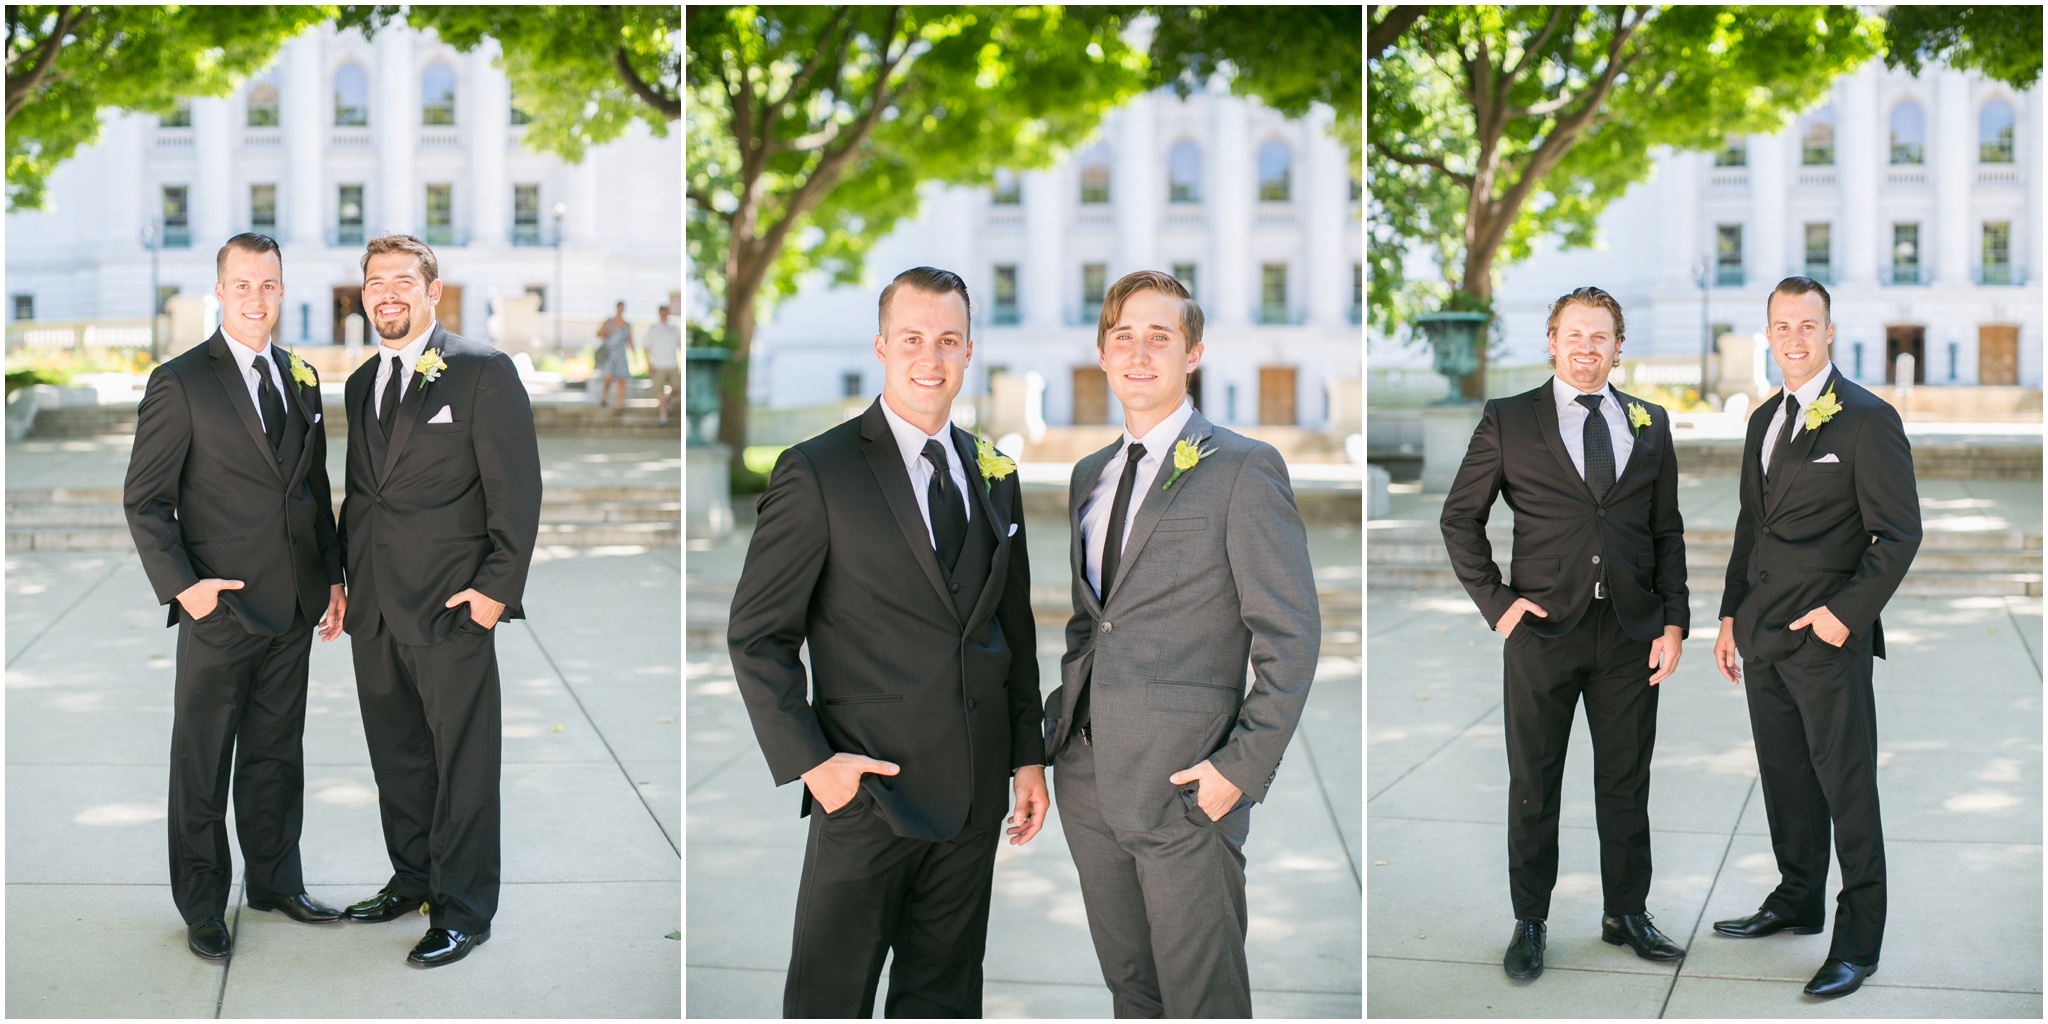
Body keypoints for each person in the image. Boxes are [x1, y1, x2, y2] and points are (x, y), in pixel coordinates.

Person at [728, 266, 1046, 1017]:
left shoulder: (995, 473)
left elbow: (1016, 626)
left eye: (947, 340)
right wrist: (816, 766)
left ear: (969, 352)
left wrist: (1027, 755)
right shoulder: (818, 470)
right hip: (866, 795)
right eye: (912, 338)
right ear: (880, 346)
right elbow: (757, 635)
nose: (929, 358)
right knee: (829, 1001)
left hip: (974, 796)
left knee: (943, 999)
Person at [1043, 270, 1319, 1017]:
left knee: (1204, 999)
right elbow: (1089, 622)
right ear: (1102, 353)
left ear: (1192, 352)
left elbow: (1290, 635)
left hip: (1185, 789)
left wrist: (1240, 768)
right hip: (1086, 780)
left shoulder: (1242, 467)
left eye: (1158, 337)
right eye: (1123, 336)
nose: (1139, 353)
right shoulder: (1087, 477)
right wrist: (1057, 739)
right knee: (1131, 990)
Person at [1439, 286, 1690, 982]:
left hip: (1631, 633)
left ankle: (1626, 913)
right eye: (1574, 335)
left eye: (1601, 336)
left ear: (1618, 346)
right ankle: (1531, 920)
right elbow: (1460, 518)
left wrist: (1674, 621)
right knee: (1534, 784)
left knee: (1625, 783)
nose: (1587, 348)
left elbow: (1665, 529)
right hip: (1543, 632)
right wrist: (1500, 604)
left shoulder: (1650, 420)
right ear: (1551, 341)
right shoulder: (1510, 419)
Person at [123, 232, 349, 961]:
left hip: (293, 608)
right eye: (243, 284)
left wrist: (335, 576)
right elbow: (145, 501)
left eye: (270, 285)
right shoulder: (180, 380)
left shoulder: (302, 375)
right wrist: (186, 590)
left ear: (284, 291)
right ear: (218, 290)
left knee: (277, 756)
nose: (258, 297)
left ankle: (276, 882)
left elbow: (313, 491)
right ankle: (201, 905)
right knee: (203, 761)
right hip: (217, 611)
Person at [1711, 276, 1921, 999]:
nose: (1794, 338)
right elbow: (1752, 525)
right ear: (1768, 334)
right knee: (1786, 782)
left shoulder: (1868, 418)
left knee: (1847, 790)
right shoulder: (1762, 418)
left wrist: (1843, 616)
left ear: (1830, 331)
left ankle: (1857, 943)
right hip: (1762, 637)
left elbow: (1898, 534)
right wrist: (1728, 615)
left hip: (1828, 642)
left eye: (1807, 325)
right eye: (1781, 326)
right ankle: (1796, 897)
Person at [336, 234, 543, 968]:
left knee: (461, 763)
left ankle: (463, 910)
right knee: (397, 755)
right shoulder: (361, 383)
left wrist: (494, 594)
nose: (386, 293)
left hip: (454, 605)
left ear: (431, 290)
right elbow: (364, 495)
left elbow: (516, 492)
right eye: (374, 281)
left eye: (401, 280)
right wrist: (339, 578)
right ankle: (413, 877)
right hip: (375, 607)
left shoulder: (484, 371)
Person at [643, 304, 682, 426]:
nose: (664, 315)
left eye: (666, 313)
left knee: (677, 388)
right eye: (662, 313)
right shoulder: (654, 329)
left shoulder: (674, 328)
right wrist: (648, 363)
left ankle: (666, 402)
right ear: (659, 314)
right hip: (658, 364)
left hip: (672, 363)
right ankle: (663, 416)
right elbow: (646, 348)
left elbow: (680, 346)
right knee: (659, 389)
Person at [594, 300, 633, 412]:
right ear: (617, 308)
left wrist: (634, 353)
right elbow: (598, 334)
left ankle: (618, 404)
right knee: (609, 377)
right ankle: (604, 396)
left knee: (622, 379)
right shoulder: (609, 321)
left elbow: (630, 340)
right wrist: (607, 333)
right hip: (610, 353)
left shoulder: (627, 324)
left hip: (621, 354)